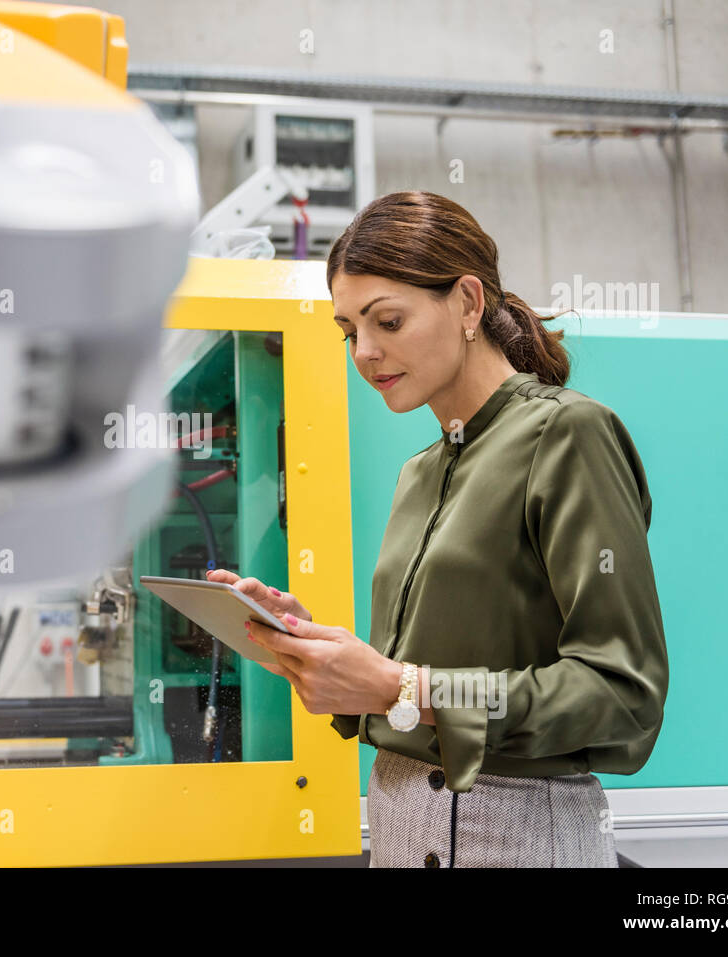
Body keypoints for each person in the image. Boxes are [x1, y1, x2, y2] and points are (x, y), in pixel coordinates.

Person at [208, 190, 668, 868]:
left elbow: (623, 697)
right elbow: (411, 691)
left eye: (388, 320)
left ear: (469, 304)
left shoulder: (568, 435)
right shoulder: (420, 471)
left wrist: (403, 687)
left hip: (517, 836)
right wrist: (321, 655)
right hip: (400, 826)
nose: (364, 352)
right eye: (348, 331)